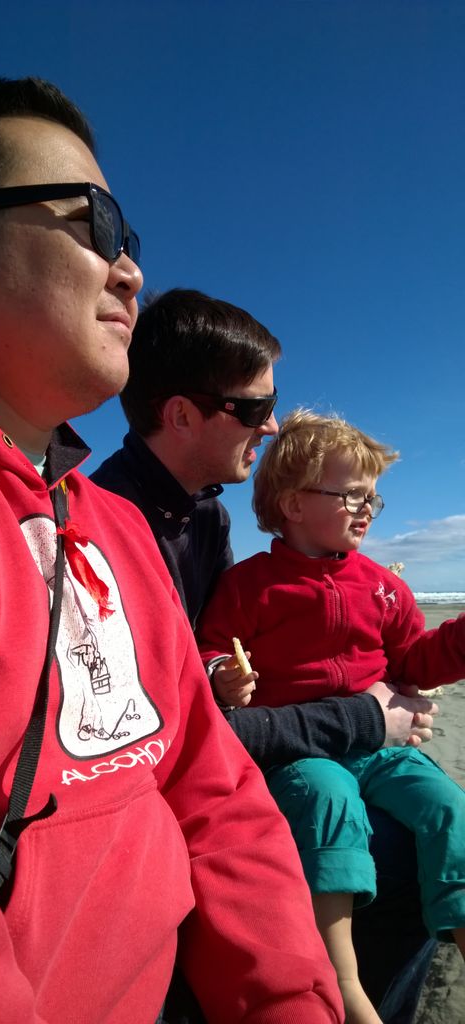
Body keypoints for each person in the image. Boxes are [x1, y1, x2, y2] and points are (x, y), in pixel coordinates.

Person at [0, 77, 347, 1024]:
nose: (131, 271)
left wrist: (293, 1003)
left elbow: (214, 790)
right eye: (95, 223)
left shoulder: (113, 523)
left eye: (129, 238)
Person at [92, 290, 439, 1022]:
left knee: (428, 817)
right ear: (181, 415)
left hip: (231, 765)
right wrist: (365, 719)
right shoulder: (106, 524)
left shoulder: (205, 516)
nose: (273, 425)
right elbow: (170, 730)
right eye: (255, 407)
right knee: (378, 849)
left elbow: (217, 668)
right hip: (166, 804)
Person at [197, 409, 465, 1024]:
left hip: (383, 746)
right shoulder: (250, 586)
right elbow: (212, 647)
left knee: (448, 807)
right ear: (292, 504)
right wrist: (223, 675)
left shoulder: (383, 587)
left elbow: (415, 661)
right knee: (328, 802)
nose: (367, 508)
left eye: (373, 497)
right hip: (302, 751)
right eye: (351, 495)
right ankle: (343, 979)